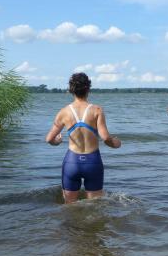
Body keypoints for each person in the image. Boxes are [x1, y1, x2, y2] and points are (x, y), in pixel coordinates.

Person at [45, 72, 122, 203]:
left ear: (71, 89)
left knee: (69, 205)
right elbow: (105, 138)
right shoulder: (97, 110)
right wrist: (116, 143)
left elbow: (49, 139)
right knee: (94, 205)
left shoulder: (64, 112)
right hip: (93, 162)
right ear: (88, 88)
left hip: (72, 162)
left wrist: (57, 141)